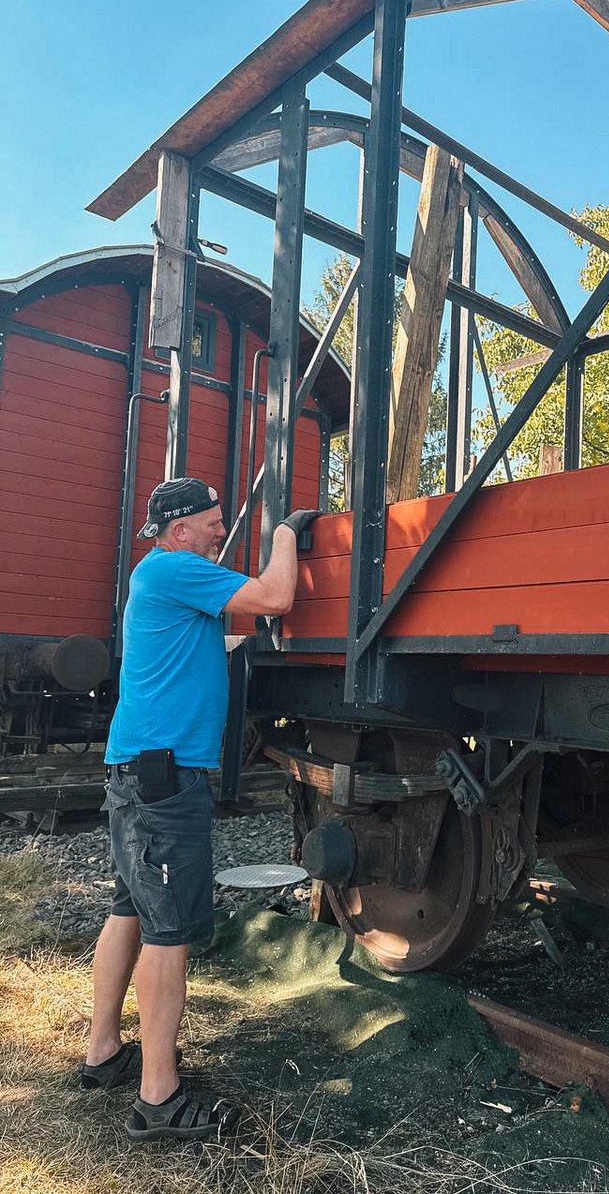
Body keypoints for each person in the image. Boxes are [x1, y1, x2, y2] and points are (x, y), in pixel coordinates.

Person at [79, 476, 316, 1142]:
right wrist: (286, 533)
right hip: (163, 777)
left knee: (130, 907)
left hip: (141, 771)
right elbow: (275, 596)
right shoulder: (179, 570)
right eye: (213, 522)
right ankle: (158, 1099)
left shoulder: (160, 575)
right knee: (169, 930)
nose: (221, 532)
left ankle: (104, 1053)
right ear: (178, 529)